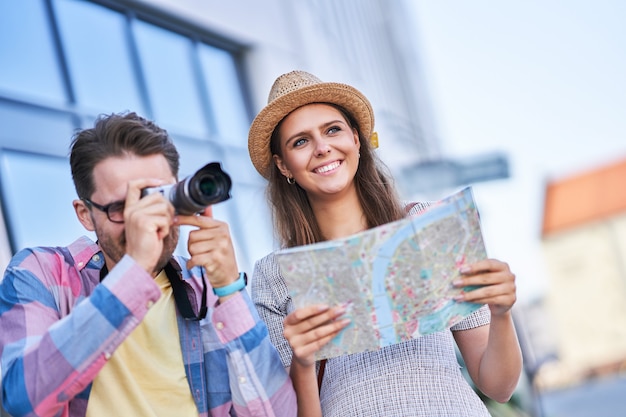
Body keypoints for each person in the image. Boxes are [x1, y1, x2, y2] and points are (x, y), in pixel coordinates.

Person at [247, 70, 523, 416]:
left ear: (357, 140)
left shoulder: (425, 226)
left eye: (333, 130)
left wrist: (501, 313)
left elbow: (499, 386)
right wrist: (302, 362)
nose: (322, 148)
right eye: (300, 141)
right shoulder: (274, 275)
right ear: (283, 165)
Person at [0, 112, 296, 417]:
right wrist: (135, 270)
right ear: (85, 213)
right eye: (120, 208)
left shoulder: (204, 287)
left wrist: (231, 290)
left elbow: (278, 414)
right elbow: (23, 399)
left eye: (155, 199)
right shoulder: (42, 272)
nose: (143, 220)